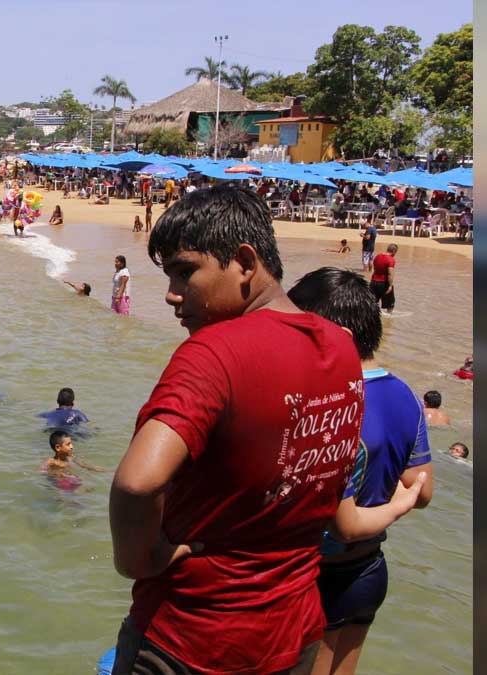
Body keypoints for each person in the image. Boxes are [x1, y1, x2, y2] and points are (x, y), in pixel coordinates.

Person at [109, 185, 365, 675]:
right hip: (294, 632)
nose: (171, 294)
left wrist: (141, 560)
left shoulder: (212, 353)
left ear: (245, 263)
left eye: (185, 272)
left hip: (191, 636)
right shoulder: (342, 347)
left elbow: (138, 481)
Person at [286, 266, 432, 675]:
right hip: (370, 572)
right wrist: (393, 504)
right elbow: (421, 491)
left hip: (317, 577)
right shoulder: (404, 394)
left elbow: (343, 523)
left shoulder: (332, 399)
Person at [369, 244, 398, 314]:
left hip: (373, 282)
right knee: (390, 304)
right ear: (394, 251)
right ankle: (388, 319)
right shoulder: (391, 260)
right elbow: (390, 274)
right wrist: (390, 285)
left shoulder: (378, 256)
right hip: (384, 283)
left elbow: (371, 265)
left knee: (372, 303)